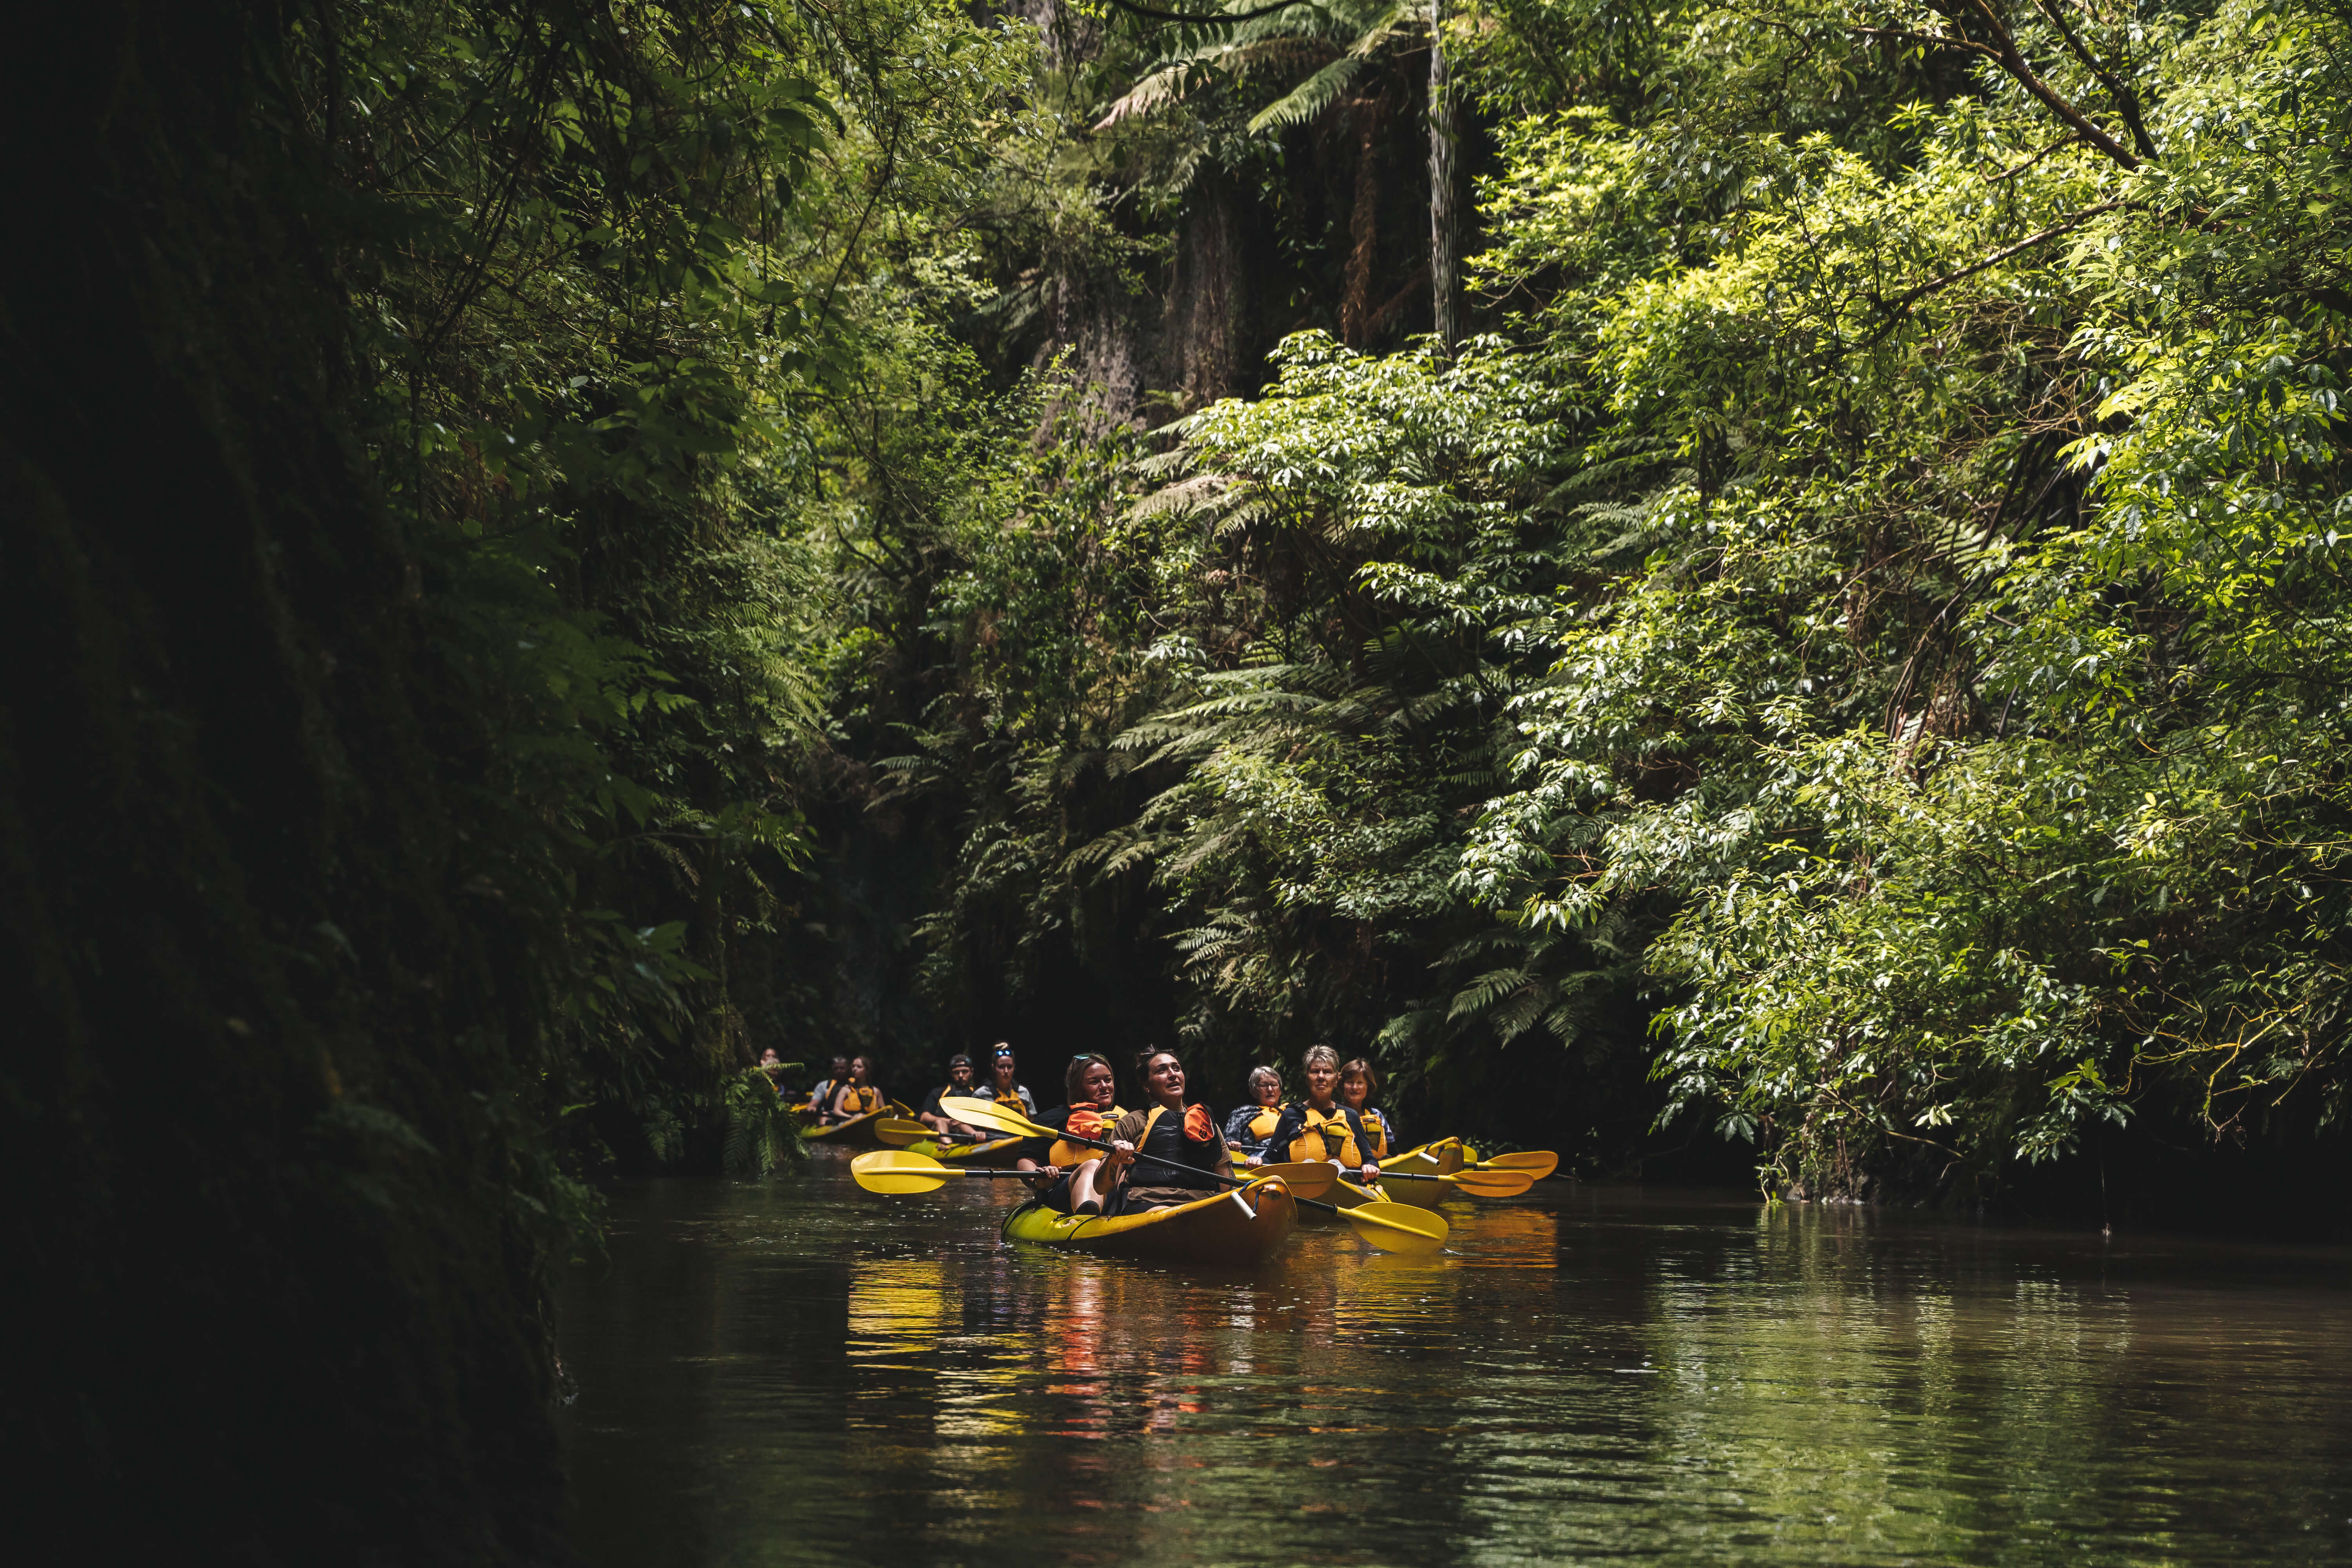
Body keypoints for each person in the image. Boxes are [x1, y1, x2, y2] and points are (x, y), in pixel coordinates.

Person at [1100, 1047, 1234, 1215]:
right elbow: (1102, 1187)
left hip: (1201, 1206)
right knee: (1175, 1218)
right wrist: (1113, 1158)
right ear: (1146, 1085)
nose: (1173, 1074)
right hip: (1149, 1204)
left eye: (1177, 1068)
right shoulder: (1133, 1122)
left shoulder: (1206, 1124)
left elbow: (1229, 1185)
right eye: (1162, 1071)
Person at [1253, 1044, 1380, 1186]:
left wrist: (1370, 1166)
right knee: (1309, 1164)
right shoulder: (1291, 1115)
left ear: (1336, 1079)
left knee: (1335, 1164)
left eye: (1327, 1072)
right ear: (1307, 1078)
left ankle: (1340, 1179)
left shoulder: (1350, 1116)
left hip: (1347, 1190)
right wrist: (1258, 1161)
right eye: (1315, 1072)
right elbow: (1270, 1159)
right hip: (1302, 1189)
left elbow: (1370, 1159)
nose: (1321, 1077)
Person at [1017, 1053, 1126, 1216]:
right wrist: (1037, 1180)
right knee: (1092, 1165)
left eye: (1108, 1080)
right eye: (1094, 1082)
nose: (1104, 1086)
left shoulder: (1128, 1120)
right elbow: (1027, 1160)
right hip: (1065, 1190)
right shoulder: (1051, 1120)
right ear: (1077, 1087)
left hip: (1114, 1189)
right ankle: (1086, 1217)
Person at [1338, 1058, 1397, 1161]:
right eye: (1350, 1082)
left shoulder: (1376, 1115)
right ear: (1343, 1085)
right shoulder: (1333, 1114)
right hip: (1346, 1172)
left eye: (1360, 1083)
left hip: (1377, 1170)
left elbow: (1394, 1152)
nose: (1355, 1087)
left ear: (1368, 1087)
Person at [1222, 1065, 1284, 1158]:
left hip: (1288, 1156)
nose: (1270, 1090)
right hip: (1258, 1158)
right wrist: (1233, 1145)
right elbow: (1228, 1143)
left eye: (1274, 1085)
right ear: (1253, 1091)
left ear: (1280, 1091)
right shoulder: (1242, 1113)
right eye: (1264, 1085)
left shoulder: (1290, 1112)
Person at [918, 1054, 985, 1138]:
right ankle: (946, 1144)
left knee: (962, 1126)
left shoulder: (978, 1094)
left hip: (967, 1132)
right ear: (950, 1073)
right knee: (940, 1123)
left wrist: (961, 1122)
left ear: (972, 1072)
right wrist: (948, 1121)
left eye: (965, 1072)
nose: (961, 1076)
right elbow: (924, 1117)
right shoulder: (939, 1092)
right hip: (942, 1129)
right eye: (956, 1072)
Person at [975, 1043, 1038, 1119]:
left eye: (1010, 1067)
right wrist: (975, 1132)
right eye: (1001, 1067)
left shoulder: (1023, 1092)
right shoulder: (981, 1094)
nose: (1006, 1071)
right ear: (994, 1068)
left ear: (1014, 1068)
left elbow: (1032, 1121)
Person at [827, 1054, 882, 1122]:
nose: (855, 1069)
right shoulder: (846, 1090)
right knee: (860, 1117)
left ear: (867, 1071)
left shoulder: (876, 1091)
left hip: (870, 1123)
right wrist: (853, 1118)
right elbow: (837, 1111)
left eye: (859, 1067)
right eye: (853, 1066)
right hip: (850, 1122)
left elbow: (884, 1112)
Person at [804, 1053, 850, 1117]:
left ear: (849, 1069)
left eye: (842, 1068)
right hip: (828, 1116)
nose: (839, 1071)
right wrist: (815, 1110)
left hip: (849, 1116)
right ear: (832, 1070)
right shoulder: (823, 1085)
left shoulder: (856, 1084)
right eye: (836, 1069)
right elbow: (812, 1107)